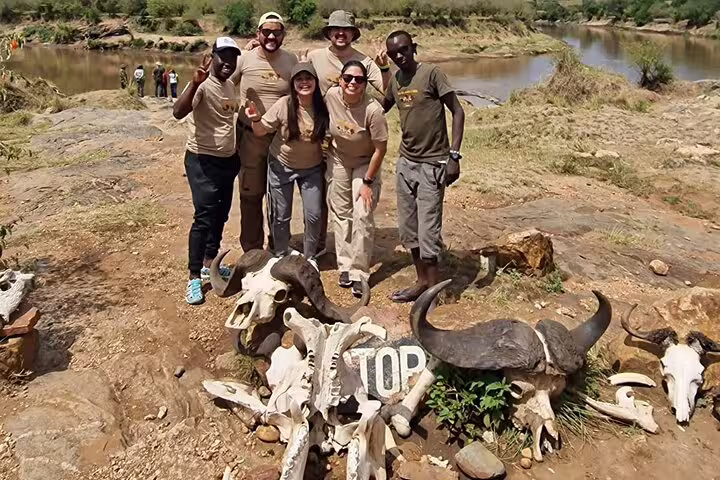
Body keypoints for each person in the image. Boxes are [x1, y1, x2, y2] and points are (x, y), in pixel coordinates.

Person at [382, 30, 465, 305]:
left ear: (413, 48)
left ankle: (434, 289)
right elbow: (381, 106)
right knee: (409, 229)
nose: (400, 56)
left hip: (433, 164)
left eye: (404, 50)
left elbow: (458, 111)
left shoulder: (431, 74)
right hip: (406, 163)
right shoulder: (395, 80)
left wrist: (454, 156)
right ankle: (422, 282)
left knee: (428, 230)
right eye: (394, 53)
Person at [305, 10, 391, 260]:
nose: (340, 33)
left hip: (358, 143)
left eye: (346, 29)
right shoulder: (314, 56)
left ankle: (356, 262)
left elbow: (386, 93)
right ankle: (319, 247)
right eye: (335, 29)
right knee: (324, 197)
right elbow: (297, 79)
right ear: (329, 33)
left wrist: (384, 67)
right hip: (322, 137)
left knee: (355, 205)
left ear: (353, 33)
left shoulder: (364, 61)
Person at [172, 37, 241, 305]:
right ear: (212, 57)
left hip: (227, 161)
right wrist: (195, 83)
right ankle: (193, 279)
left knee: (221, 214)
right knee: (203, 217)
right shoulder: (201, 84)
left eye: (232, 58)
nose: (228, 63)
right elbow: (178, 112)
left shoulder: (231, 85)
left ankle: (209, 263)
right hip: (202, 161)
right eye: (222, 57)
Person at [245, 62, 328, 264]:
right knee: (281, 216)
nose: (304, 82)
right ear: (292, 84)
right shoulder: (284, 104)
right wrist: (256, 119)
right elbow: (261, 130)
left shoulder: (324, 106)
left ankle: (310, 257)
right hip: (281, 166)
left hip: (312, 169)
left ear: (316, 82)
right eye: (299, 79)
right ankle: (280, 254)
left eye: (308, 78)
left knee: (314, 215)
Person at [230, 11, 298, 253]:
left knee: (278, 194)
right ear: (258, 34)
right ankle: (252, 250)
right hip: (249, 137)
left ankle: (278, 247)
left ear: (283, 35)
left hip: (281, 138)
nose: (271, 36)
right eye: (266, 31)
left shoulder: (291, 60)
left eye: (276, 32)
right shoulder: (244, 59)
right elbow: (224, 85)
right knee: (250, 193)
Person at [326, 60, 388, 297]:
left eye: (359, 80)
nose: (353, 83)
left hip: (365, 162)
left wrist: (368, 182)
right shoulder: (331, 96)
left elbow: (380, 150)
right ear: (340, 80)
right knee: (341, 212)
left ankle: (359, 273)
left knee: (362, 213)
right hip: (340, 160)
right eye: (348, 78)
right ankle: (345, 265)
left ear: (364, 84)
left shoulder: (373, 110)